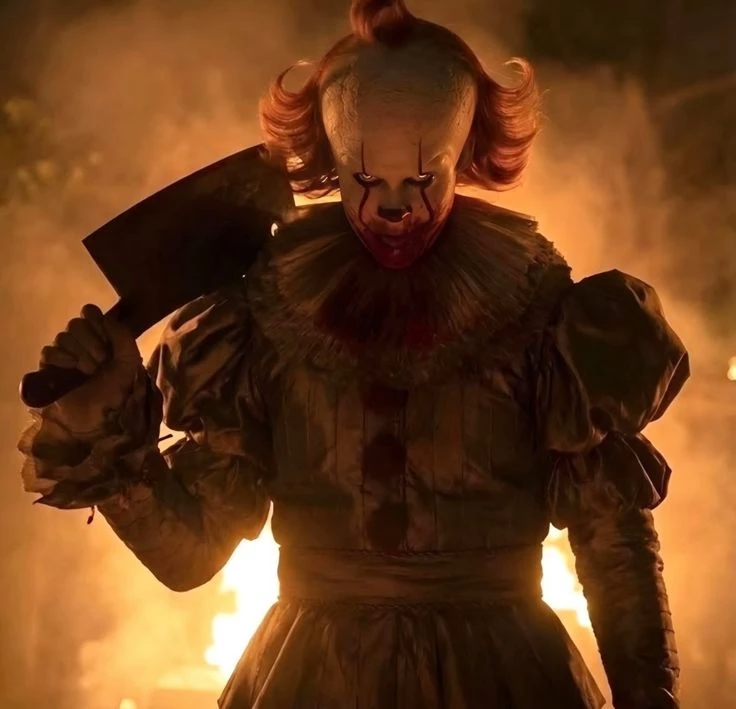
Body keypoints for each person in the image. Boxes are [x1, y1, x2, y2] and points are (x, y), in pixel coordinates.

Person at [18, 1, 689, 707]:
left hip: (505, 677)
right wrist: (106, 429)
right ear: (332, 161)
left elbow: (614, 545)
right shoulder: (263, 314)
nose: (394, 207)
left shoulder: (542, 312)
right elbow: (190, 556)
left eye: (422, 177)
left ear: (463, 155)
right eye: (365, 179)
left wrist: (652, 699)